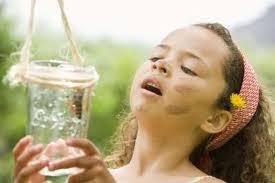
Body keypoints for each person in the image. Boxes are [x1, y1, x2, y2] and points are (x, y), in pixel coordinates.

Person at [12, 23, 275, 183]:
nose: (160, 64)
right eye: (156, 56)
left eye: (188, 68)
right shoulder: (89, 176)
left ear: (214, 118)